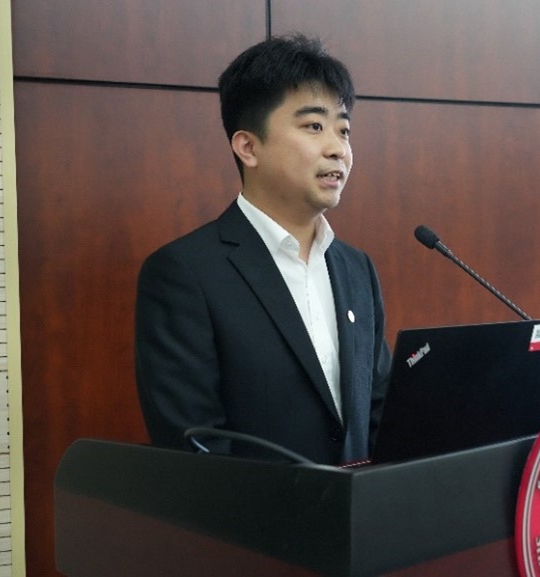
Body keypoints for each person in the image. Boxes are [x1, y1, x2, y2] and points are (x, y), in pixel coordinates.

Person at [135, 34, 391, 465]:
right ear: (248, 147)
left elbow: (380, 413)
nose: (338, 149)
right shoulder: (184, 273)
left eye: (343, 130)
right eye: (314, 126)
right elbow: (194, 448)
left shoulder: (356, 268)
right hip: (251, 510)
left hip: (362, 508)